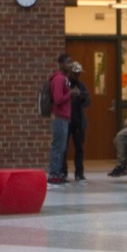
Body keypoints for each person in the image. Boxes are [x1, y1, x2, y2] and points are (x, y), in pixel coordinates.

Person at [48, 54, 78, 185]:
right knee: (58, 147)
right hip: (59, 118)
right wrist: (70, 93)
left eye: (71, 62)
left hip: (64, 117)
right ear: (60, 64)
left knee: (61, 148)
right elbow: (58, 99)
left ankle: (59, 173)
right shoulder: (59, 79)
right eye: (68, 62)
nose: (70, 65)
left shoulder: (65, 78)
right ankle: (54, 174)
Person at [63, 61, 90, 183]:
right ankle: (63, 172)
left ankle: (79, 173)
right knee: (63, 148)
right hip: (66, 120)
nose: (77, 76)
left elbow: (88, 102)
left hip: (79, 122)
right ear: (70, 72)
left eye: (79, 73)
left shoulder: (82, 85)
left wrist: (81, 96)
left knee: (79, 148)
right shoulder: (64, 84)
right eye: (75, 73)